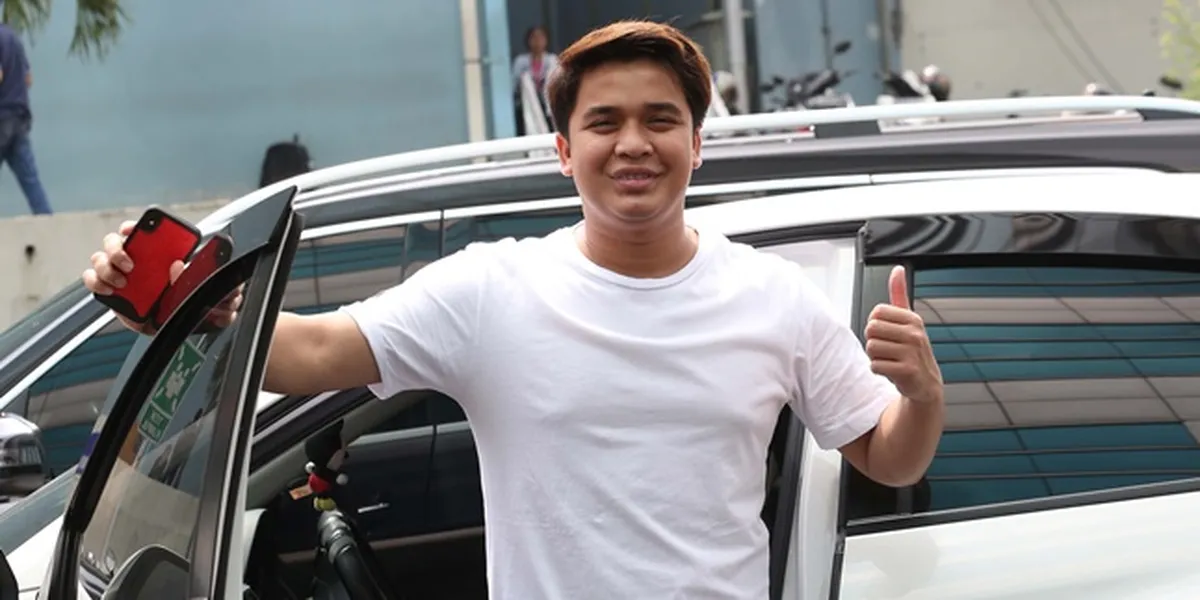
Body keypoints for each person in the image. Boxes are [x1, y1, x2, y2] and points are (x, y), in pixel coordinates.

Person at [84, 19, 945, 599]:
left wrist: (923, 395)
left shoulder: (775, 296)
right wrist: (181, 305)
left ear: (696, 143)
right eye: (604, 123)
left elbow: (887, 455)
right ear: (565, 150)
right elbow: (313, 353)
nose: (634, 143)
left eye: (660, 120)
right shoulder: (491, 291)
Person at [0, 22, 50, 215]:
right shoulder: (12, 37)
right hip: (19, 118)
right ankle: (47, 222)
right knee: (31, 181)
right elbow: (28, 79)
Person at [511, 25, 558, 134]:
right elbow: (514, 84)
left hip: (547, 105)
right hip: (526, 103)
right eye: (534, 38)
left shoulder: (552, 59)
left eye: (541, 37)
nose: (537, 41)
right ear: (528, 41)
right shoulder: (521, 61)